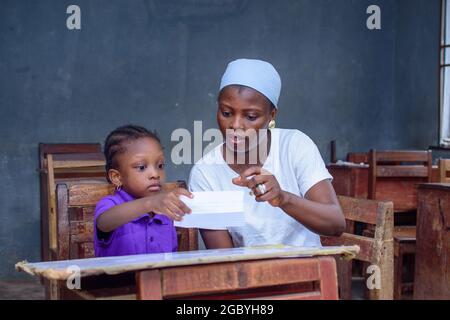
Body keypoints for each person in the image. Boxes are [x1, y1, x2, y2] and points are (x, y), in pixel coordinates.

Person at [189, 58, 345, 249]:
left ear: (272, 115)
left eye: (251, 116)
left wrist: (282, 198)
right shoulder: (205, 173)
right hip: (246, 276)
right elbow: (223, 259)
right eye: (226, 113)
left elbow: (335, 224)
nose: (236, 125)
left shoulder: (295, 145)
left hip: (308, 272)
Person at [94, 124, 193, 257]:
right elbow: (104, 223)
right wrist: (149, 203)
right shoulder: (110, 204)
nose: (155, 174)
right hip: (120, 278)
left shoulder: (166, 211)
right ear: (117, 177)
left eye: (160, 165)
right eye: (141, 167)